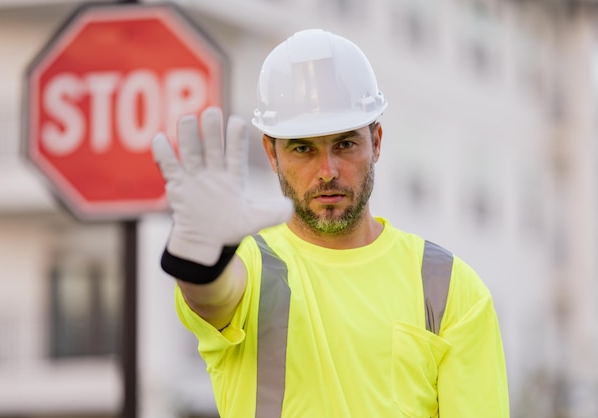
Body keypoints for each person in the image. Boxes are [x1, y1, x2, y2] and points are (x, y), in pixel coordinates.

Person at [151, 28, 509, 418]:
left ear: (377, 142)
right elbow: (213, 296)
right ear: (271, 153)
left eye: (345, 144)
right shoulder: (248, 264)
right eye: (303, 148)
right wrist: (198, 258)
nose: (327, 171)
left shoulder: (449, 288)